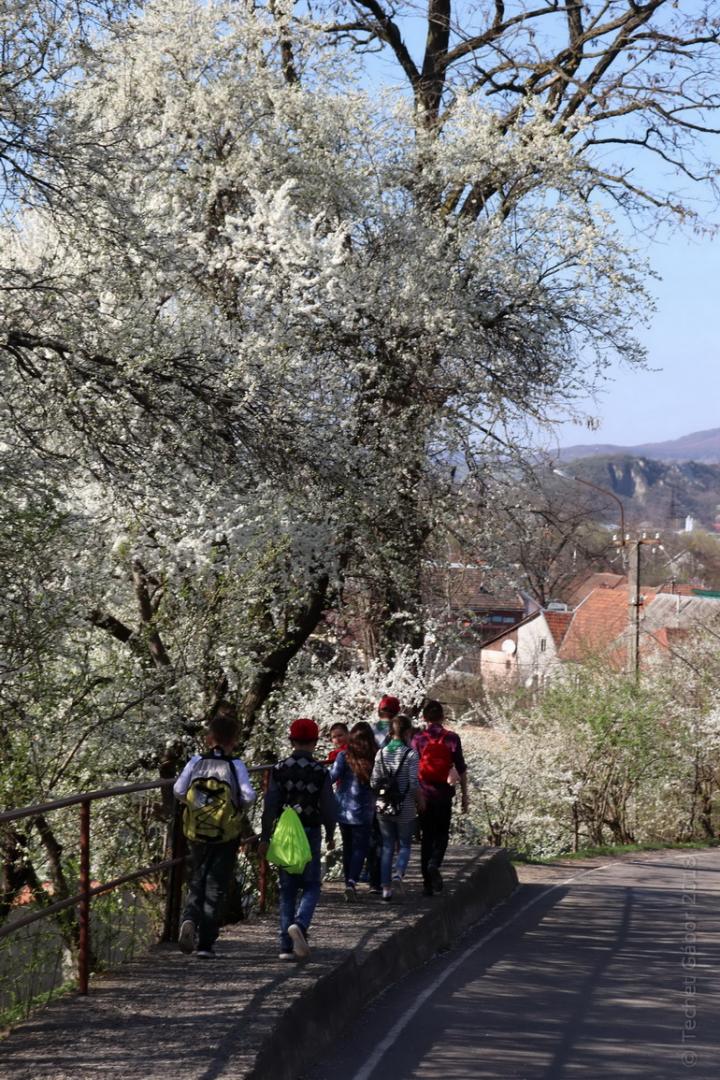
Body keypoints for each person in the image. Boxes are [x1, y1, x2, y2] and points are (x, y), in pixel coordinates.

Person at [173, 705, 256, 958]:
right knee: (216, 885)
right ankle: (206, 943)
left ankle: (189, 919)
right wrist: (236, 805)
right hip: (225, 833)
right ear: (234, 740)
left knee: (198, 878)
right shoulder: (235, 765)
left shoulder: (196, 762)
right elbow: (249, 795)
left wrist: (197, 804)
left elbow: (178, 790)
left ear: (209, 738)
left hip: (197, 831)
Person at [258, 718, 337, 962]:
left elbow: (270, 803)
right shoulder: (320, 771)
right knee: (312, 884)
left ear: (291, 740)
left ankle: (285, 945)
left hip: (285, 832)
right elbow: (328, 806)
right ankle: (300, 926)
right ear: (315, 742)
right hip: (310, 830)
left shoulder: (279, 769)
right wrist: (331, 831)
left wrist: (265, 835)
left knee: (287, 888)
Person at [412, 699, 468, 897]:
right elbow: (461, 768)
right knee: (442, 834)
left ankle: (427, 883)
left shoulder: (418, 739)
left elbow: (412, 769)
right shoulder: (452, 738)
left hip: (424, 795)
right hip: (444, 794)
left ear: (424, 718)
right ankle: (435, 863)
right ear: (442, 717)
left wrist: (415, 796)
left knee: (427, 836)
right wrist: (465, 798)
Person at [371, 713, 423, 902]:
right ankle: (398, 874)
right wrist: (420, 800)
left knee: (387, 846)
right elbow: (413, 782)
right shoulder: (411, 754)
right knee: (405, 844)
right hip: (405, 805)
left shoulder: (381, 753)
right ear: (408, 732)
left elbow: (374, 781)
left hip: (383, 806)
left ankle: (385, 890)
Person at [330, 721, 376, 902]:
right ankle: (351, 882)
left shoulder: (343, 756)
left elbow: (332, 777)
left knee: (348, 847)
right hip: (364, 811)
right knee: (360, 848)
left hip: (343, 808)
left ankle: (348, 883)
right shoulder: (375, 757)